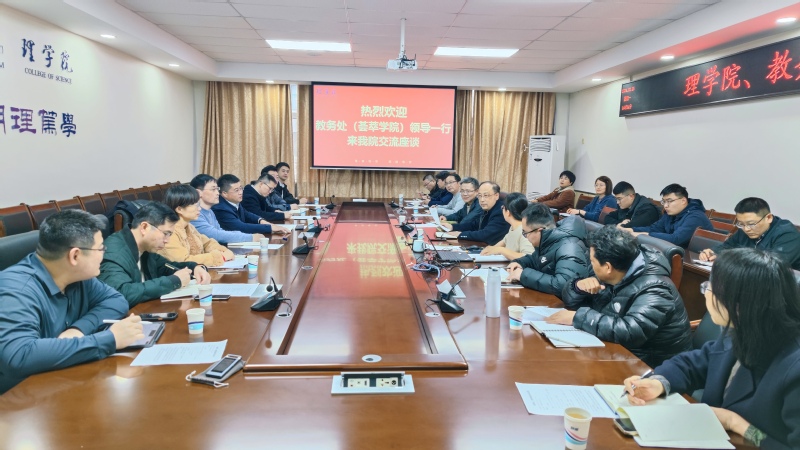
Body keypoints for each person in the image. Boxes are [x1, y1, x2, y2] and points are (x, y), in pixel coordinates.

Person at [623, 249, 800, 449]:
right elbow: (692, 364)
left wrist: (737, 424)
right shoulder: (740, 331)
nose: (706, 293)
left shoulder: (794, 367)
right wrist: (658, 383)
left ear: (740, 304)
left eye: (710, 287)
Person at [0, 210, 143, 394]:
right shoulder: (18, 290)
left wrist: (79, 329)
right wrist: (110, 339)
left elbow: (116, 300)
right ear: (75, 256)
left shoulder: (78, 277)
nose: (104, 254)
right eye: (100, 248)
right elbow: (19, 355)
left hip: (61, 381)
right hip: (20, 398)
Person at [553, 226, 691, 367]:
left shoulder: (656, 289)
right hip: (614, 351)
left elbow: (632, 332)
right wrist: (578, 287)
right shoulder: (616, 267)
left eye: (592, 261)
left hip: (650, 365)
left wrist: (580, 318)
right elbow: (572, 302)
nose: (591, 265)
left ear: (608, 268)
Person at [100, 202, 211, 307]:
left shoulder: (146, 247)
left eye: (170, 235)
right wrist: (174, 281)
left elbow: (166, 266)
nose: (167, 240)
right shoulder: (114, 251)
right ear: (144, 227)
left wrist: (194, 267)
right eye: (165, 234)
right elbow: (122, 293)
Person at [506, 203, 589, 297]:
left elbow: (565, 286)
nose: (526, 237)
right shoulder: (549, 239)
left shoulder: (569, 247)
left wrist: (523, 275)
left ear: (539, 230)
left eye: (525, 233)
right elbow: (537, 260)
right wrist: (520, 262)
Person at [699, 197, 800, 270]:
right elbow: (727, 246)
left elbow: (773, 265)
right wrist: (713, 252)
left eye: (751, 224)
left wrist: (731, 258)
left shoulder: (787, 234)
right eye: (741, 224)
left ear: (768, 218)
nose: (746, 229)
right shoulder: (744, 230)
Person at [159, 184, 234, 266]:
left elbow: (207, 243)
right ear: (179, 209)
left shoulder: (188, 226)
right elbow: (184, 261)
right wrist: (220, 257)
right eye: (195, 205)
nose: (199, 208)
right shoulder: (169, 233)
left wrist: (222, 250)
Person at [623, 183, 713, 248]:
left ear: (683, 201)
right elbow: (654, 228)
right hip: (675, 252)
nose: (665, 206)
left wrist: (646, 234)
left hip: (699, 258)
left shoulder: (695, 216)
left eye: (669, 201)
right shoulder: (671, 214)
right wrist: (632, 229)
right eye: (664, 201)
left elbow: (676, 239)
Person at [189, 174, 266, 245]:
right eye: (213, 189)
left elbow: (220, 231)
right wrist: (250, 237)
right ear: (199, 192)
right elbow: (216, 235)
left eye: (217, 189)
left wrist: (250, 235)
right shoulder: (194, 214)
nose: (217, 193)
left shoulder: (210, 211)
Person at [211, 174, 291, 236]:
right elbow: (241, 227)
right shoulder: (221, 208)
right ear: (224, 193)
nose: (241, 192)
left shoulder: (234, 202)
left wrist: (262, 221)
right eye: (236, 190)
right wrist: (270, 227)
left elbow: (247, 214)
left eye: (241, 188)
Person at [439, 181, 509, 245]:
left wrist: (460, 234)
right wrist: (452, 227)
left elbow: (486, 235)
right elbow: (474, 225)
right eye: (480, 196)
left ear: (496, 196)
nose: (482, 200)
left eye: (486, 195)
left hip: (494, 250)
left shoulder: (501, 211)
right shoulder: (488, 208)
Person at [480, 192, 536, 259]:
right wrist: (490, 249)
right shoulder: (513, 227)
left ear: (508, 212)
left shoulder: (525, 231)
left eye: (503, 208)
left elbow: (528, 257)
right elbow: (501, 244)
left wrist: (501, 250)